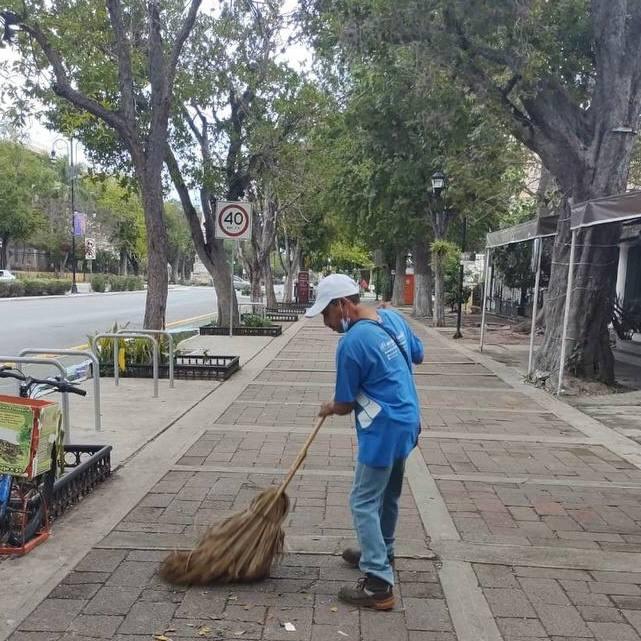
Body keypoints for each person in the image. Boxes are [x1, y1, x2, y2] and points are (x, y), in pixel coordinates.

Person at [305, 273, 424, 610]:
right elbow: (419, 354)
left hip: (383, 429)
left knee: (362, 500)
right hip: (407, 421)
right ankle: (381, 552)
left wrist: (329, 408)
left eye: (326, 315)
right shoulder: (392, 318)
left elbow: (344, 404)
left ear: (342, 305)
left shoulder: (351, 344)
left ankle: (377, 584)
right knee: (388, 494)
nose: (326, 324)